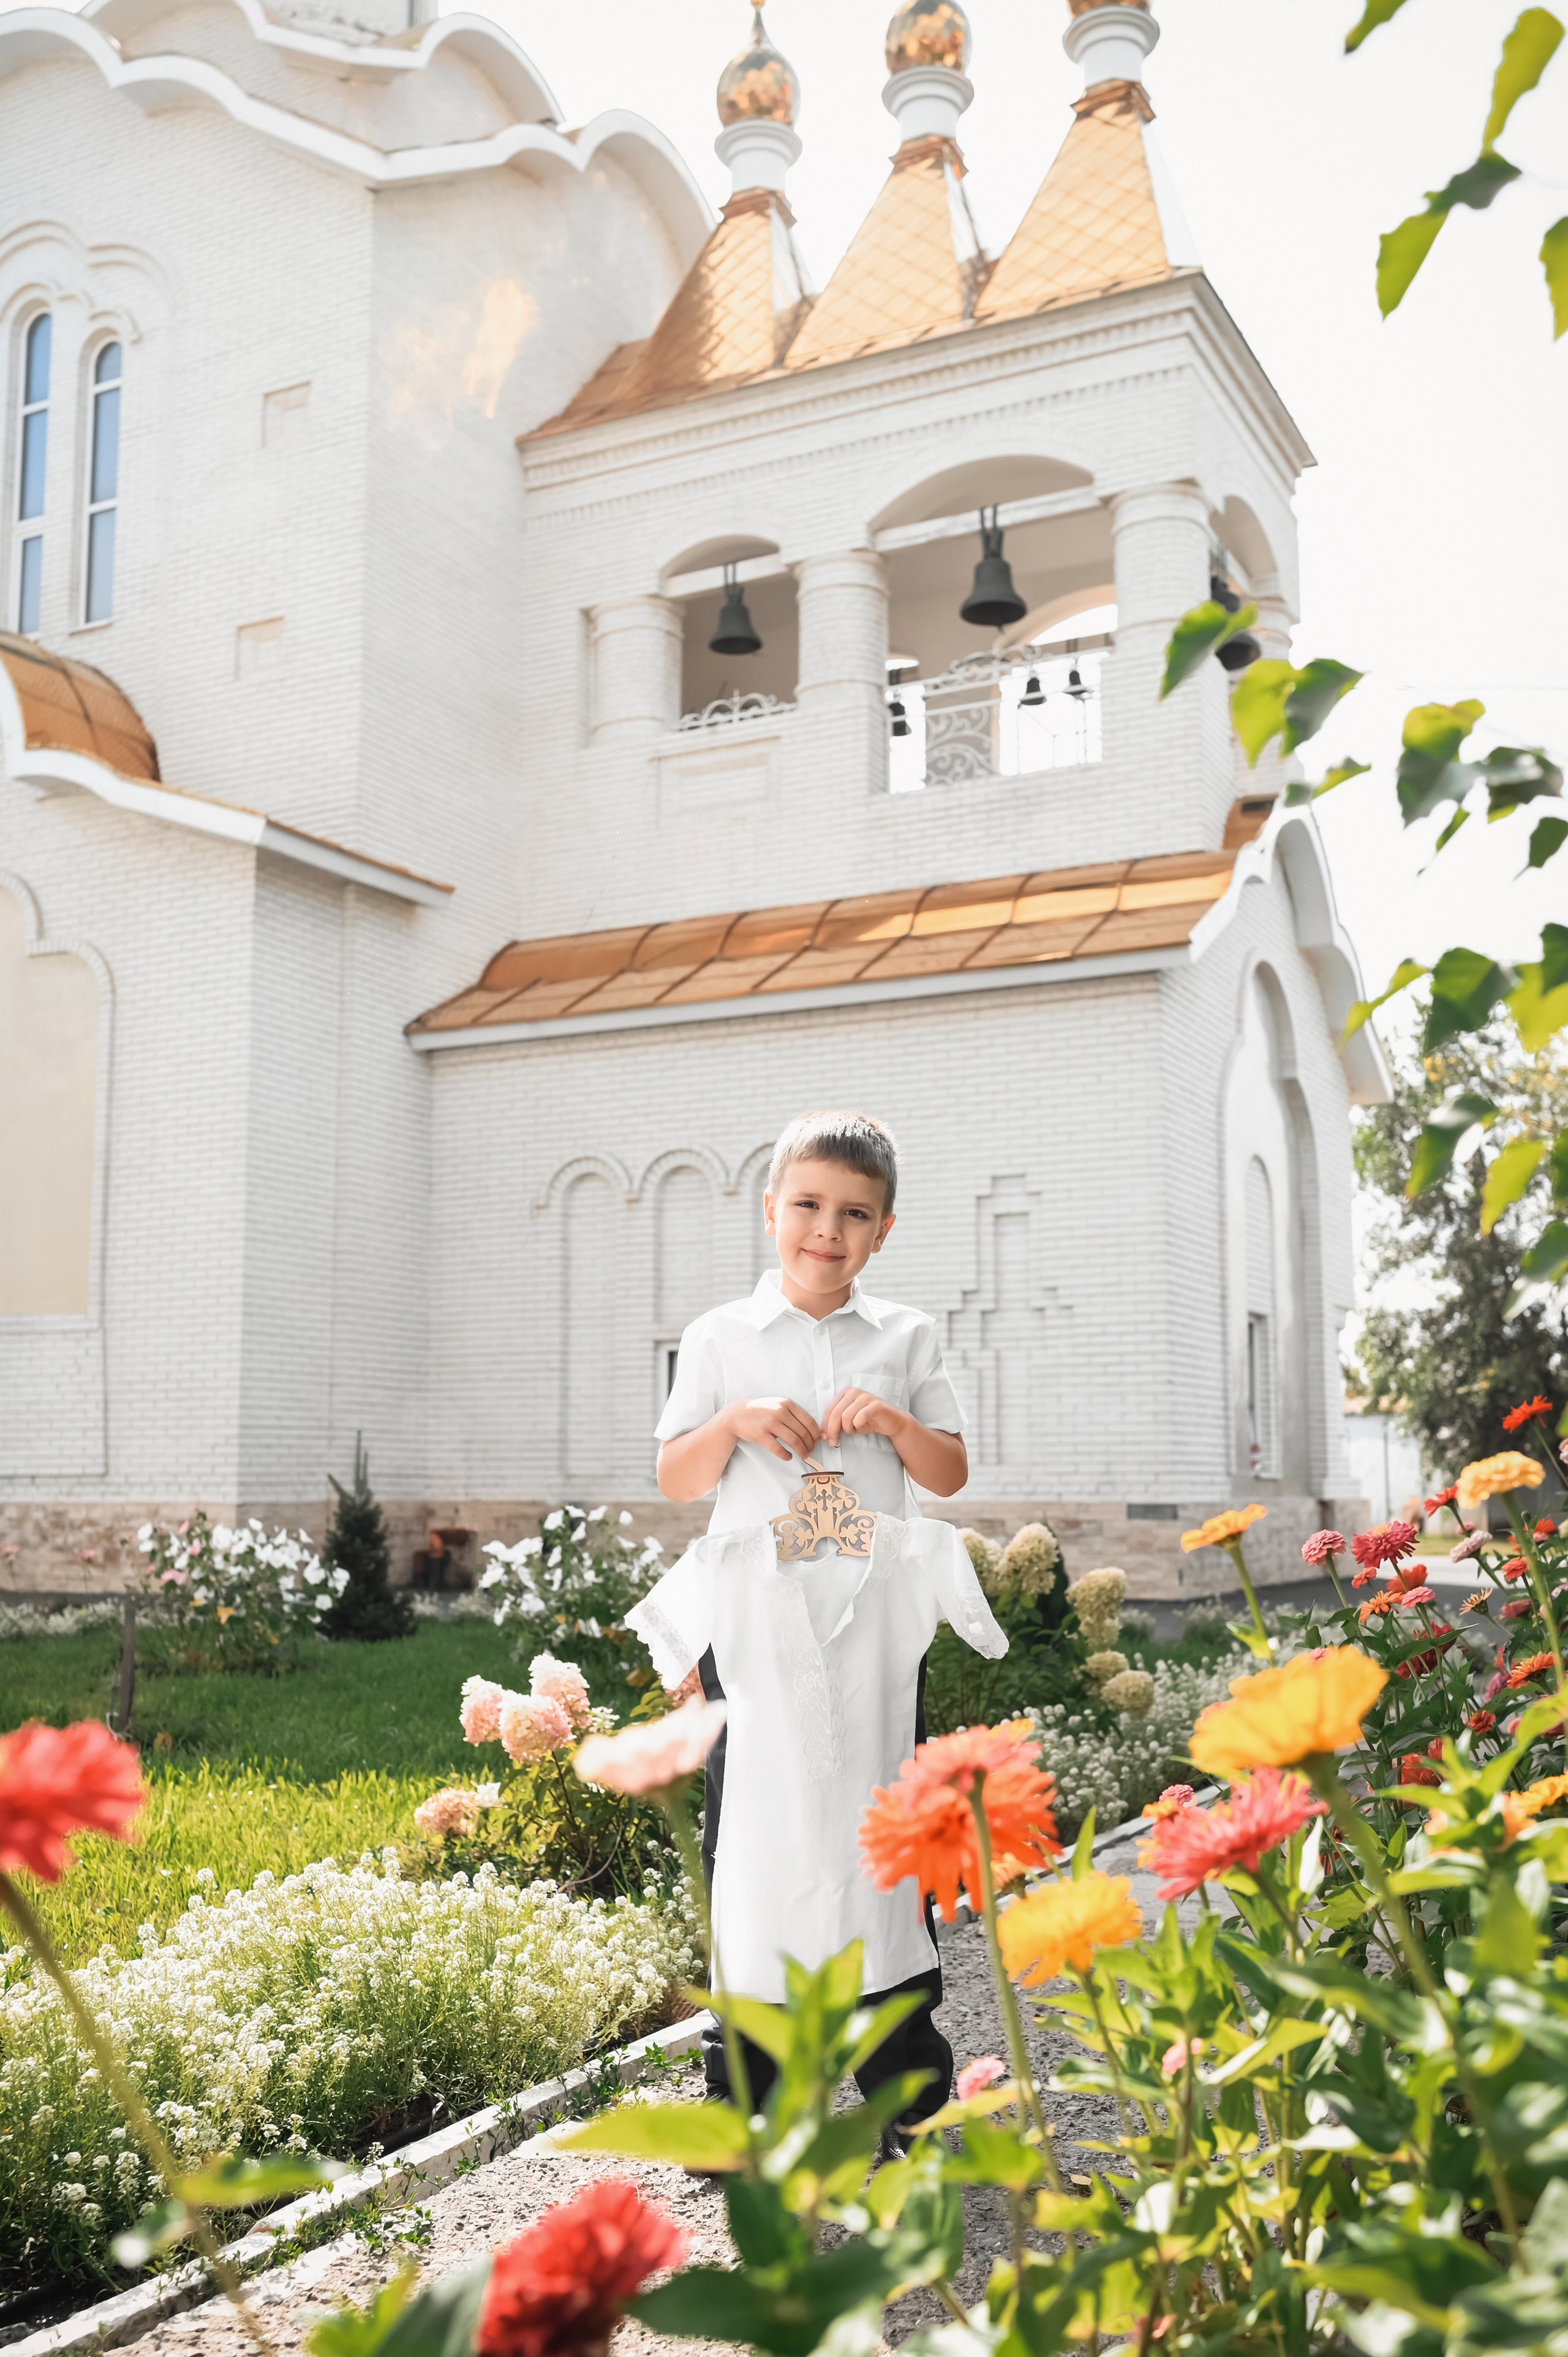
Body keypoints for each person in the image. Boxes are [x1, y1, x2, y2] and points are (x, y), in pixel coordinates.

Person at [643, 1109, 998, 2148]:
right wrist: (737, 1423)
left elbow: (949, 1472)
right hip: (752, 1630)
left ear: (884, 1230)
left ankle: (906, 2099)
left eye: (853, 1214)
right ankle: (745, 2108)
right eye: (806, 1205)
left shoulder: (907, 1337)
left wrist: (891, 1421)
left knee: (879, 1842)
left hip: (871, 1630)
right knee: (747, 1843)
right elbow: (675, 1477)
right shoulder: (718, 1338)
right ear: (771, 1210)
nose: (825, 1231)